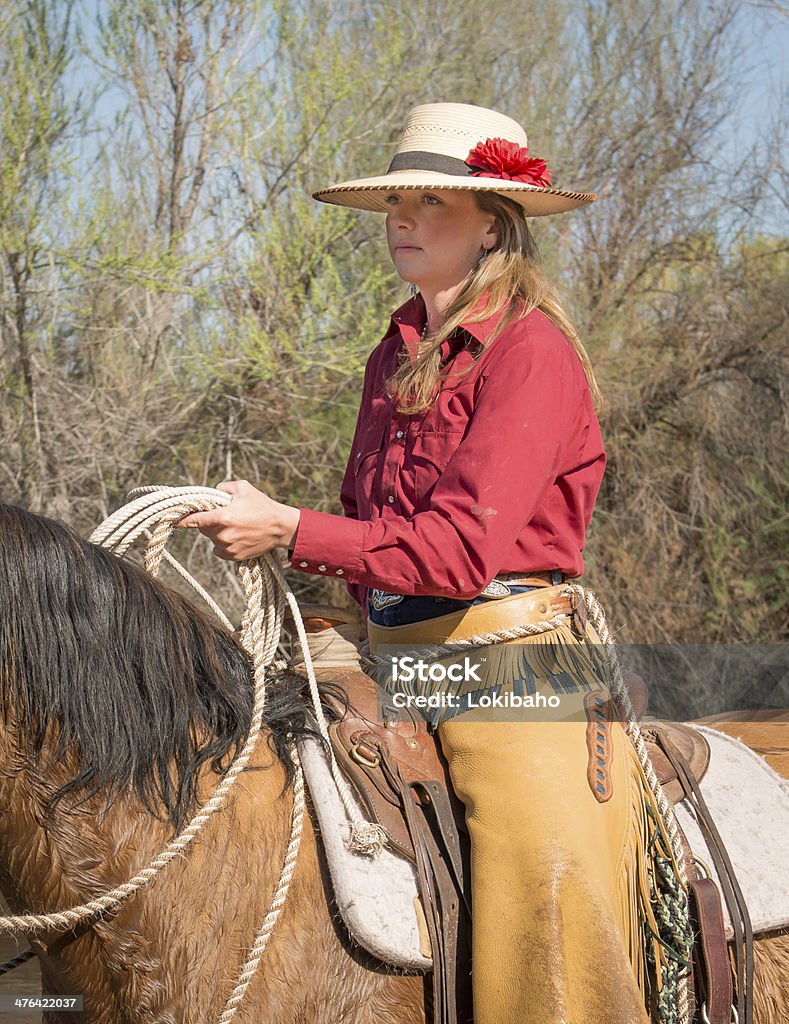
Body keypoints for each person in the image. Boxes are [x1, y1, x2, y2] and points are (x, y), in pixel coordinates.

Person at [182, 103, 686, 1024]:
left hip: (514, 661)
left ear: (492, 224)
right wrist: (268, 534)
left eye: (429, 203)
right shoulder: (393, 350)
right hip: (391, 648)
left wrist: (289, 529)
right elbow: (375, 531)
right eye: (394, 205)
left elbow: (458, 552)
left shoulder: (532, 352)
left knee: (543, 881)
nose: (402, 221)